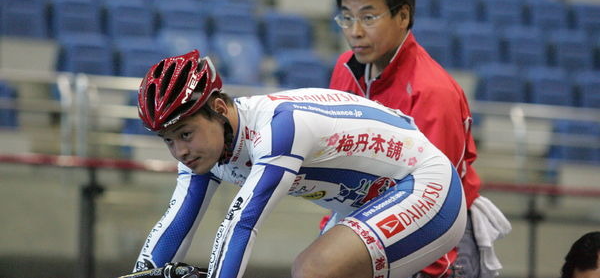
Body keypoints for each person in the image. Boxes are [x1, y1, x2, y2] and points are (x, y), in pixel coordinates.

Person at [132, 49, 467, 278]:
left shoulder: (278, 128)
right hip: (371, 200)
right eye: (168, 140)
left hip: (425, 186)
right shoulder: (206, 148)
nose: (179, 151)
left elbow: (241, 224)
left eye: (185, 134)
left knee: (314, 269)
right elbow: (175, 224)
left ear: (219, 109)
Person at [328, 0, 510, 278]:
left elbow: (438, 199)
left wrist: (430, 270)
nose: (355, 31)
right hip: (369, 226)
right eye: (347, 17)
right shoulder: (346, 68)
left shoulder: (432, 92)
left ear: (403, 16)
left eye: (368, 17)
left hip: (437, 241)